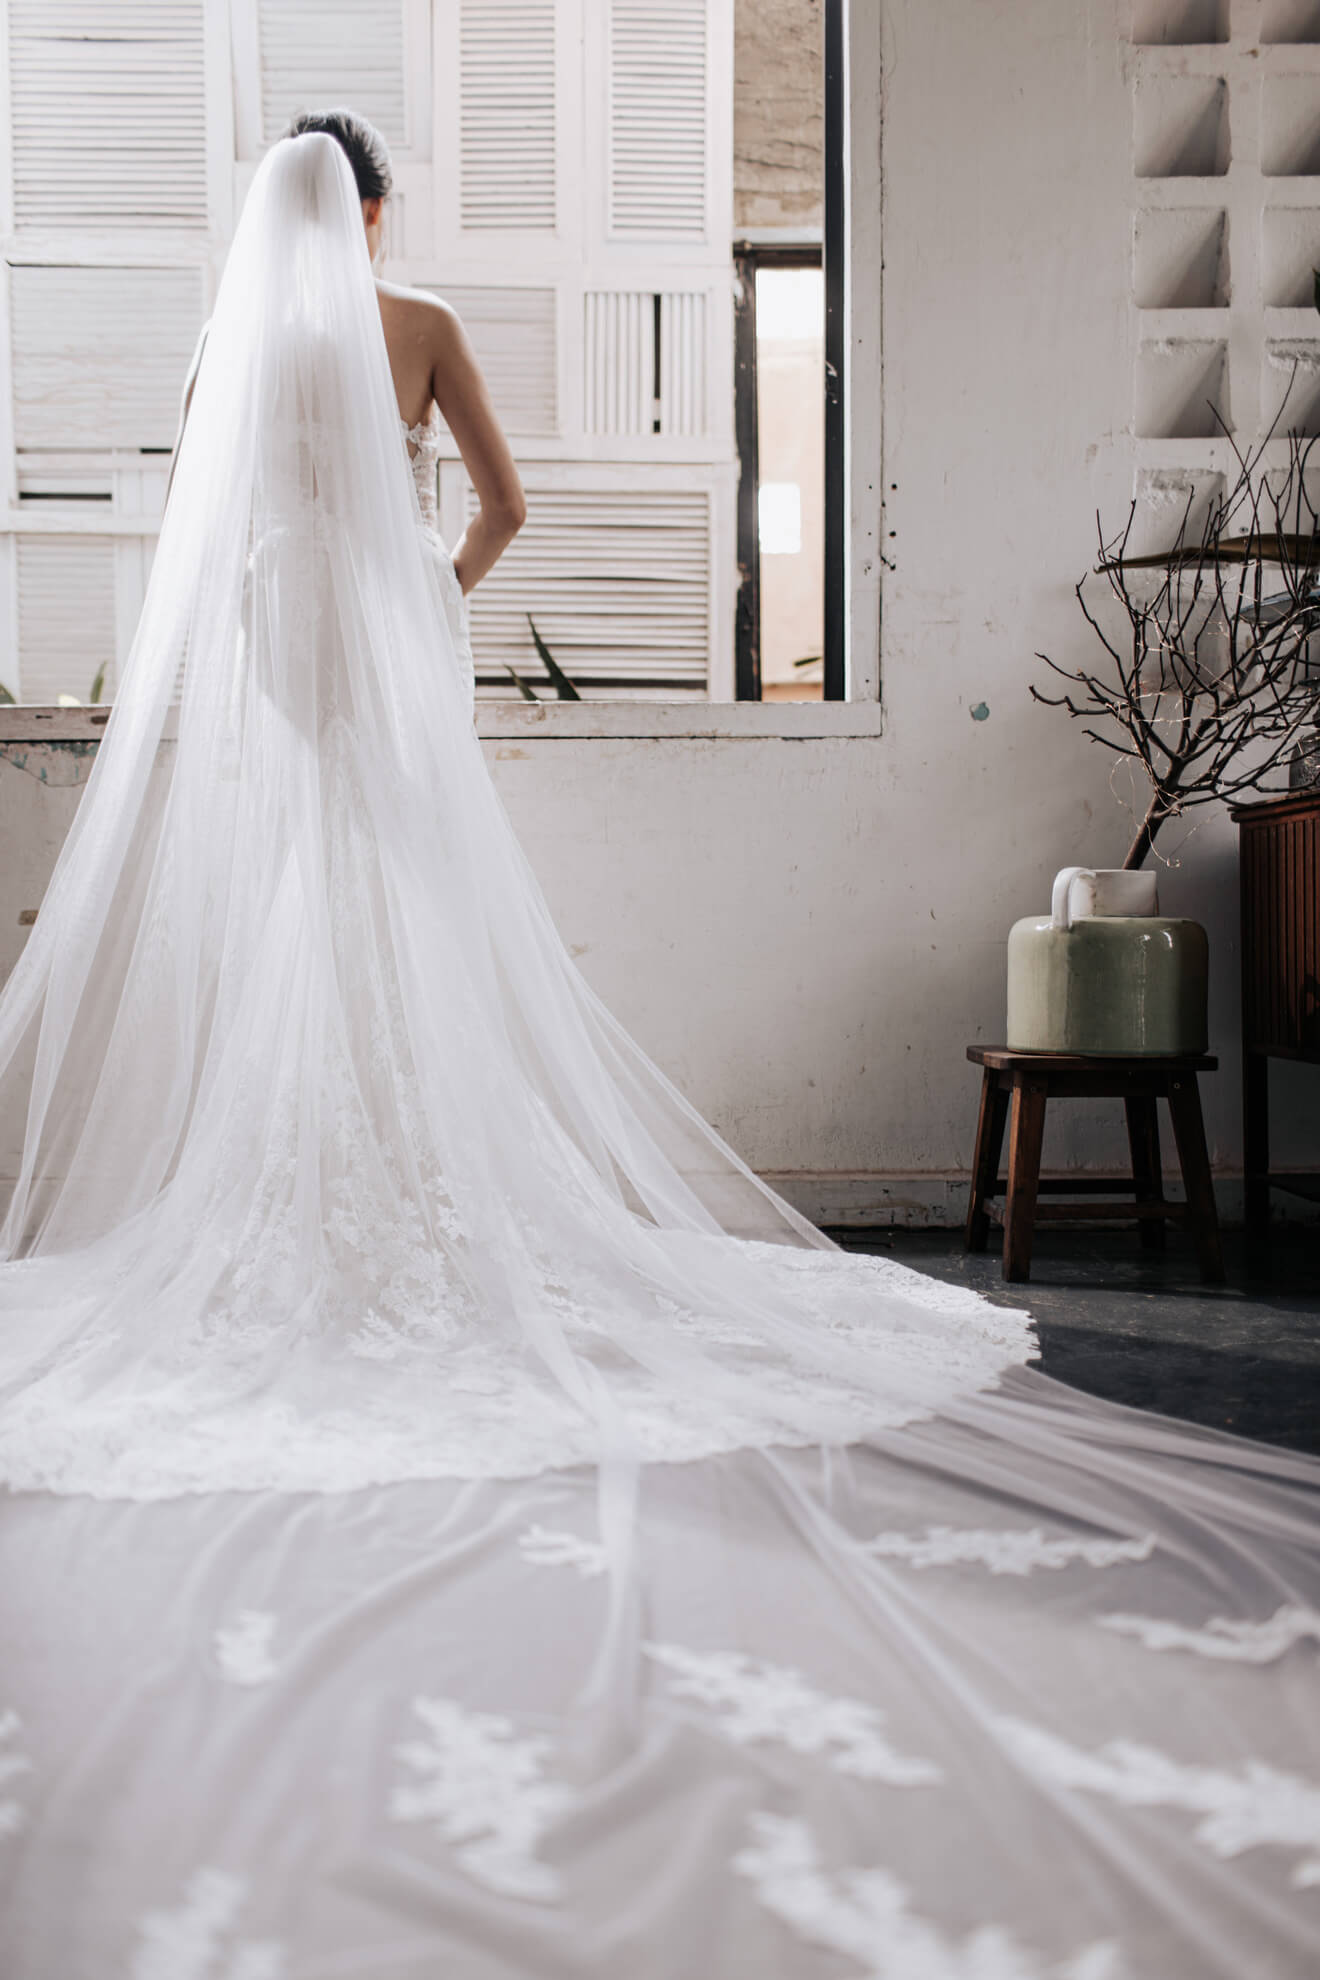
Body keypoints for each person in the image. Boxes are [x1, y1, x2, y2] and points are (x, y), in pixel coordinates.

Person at [0, 119, 1316, 1980]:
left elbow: (199, 527)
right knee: (401, 907)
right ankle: (425, 1184)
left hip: (270, 628)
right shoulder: (424, 313)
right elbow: (508, 509)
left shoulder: (233, 347)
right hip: (373, 623)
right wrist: (420, 600)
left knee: (316, 904)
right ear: (372, 212)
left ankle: (313, 1177)